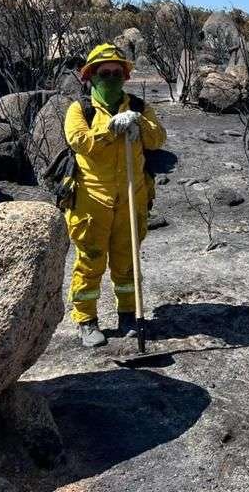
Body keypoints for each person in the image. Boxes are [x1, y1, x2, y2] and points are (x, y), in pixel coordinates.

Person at [64, 43, 166, 348]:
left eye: (116, 72)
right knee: (91, 260)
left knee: (126, 262)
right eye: (103, 73)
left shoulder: (138, 106)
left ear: (124, 75)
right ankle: (86, 320)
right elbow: (80, 141)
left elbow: (158, 138)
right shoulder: (78, 109)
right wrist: (111, 129)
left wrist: (139, 125)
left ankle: (128, 315)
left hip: (131, 197)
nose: (110, 77)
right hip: (91, 200)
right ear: (91, 77)